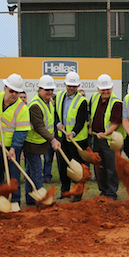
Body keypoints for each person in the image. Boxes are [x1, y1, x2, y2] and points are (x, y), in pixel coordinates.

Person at [0, 73, 29, 212]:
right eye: (11, 91)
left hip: (11, 146)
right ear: (5, 88)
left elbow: (21, 131)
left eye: (17, 92)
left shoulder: (22, 108)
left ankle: (14, 201)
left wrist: (14, 148)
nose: (14, 94)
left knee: (13, 175)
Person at [24, 75, 61, 205]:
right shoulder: (35, 105)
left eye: (51, 89)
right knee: (36, 171)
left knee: (30, 170)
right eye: (47, 89)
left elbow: (49, 121)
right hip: (32, 142)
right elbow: (39, 127)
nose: (50, 92)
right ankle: (40, 200)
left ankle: (30, 198)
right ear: (39, 89)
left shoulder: (48, 101)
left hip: (40, 142)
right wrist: (53, 139)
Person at [55, 71, 89, 201]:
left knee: (77, 168)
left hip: (77, 140)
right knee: (62, 166)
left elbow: (81, 121)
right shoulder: (58, 97)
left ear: (78, 86)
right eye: (69, 85)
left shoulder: (82, 101)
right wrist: (58, 124)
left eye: (74, 86)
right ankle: (65, 191)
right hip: (62, 138)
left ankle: (77, 193)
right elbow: (56, 113)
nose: (71, 88)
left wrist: (73, 132)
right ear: (65, 84)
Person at [89, 73, 123, 199]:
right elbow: (91, 116)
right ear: (98, 89)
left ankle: (111, 193)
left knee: (111, 167)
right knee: (99, 166)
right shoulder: (93, 99)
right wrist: (90, 128)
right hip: (97, 139)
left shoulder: (116, 103)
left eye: (108, 88)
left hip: (110, 140)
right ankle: (103, 191)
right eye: (103, 89)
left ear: (112, 88)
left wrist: (105, 134)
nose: (105, 91)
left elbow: (115, 123)